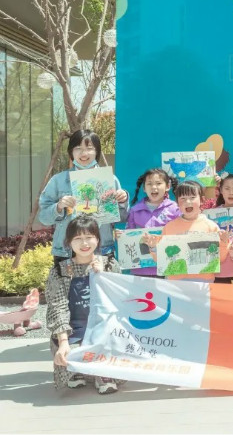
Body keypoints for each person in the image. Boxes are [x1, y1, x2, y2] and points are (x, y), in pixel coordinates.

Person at [46, 216, 121, 394]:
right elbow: (57, 306)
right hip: (74, 331)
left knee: (109, 349)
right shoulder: (60, 271)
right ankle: (78, 368)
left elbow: (119, 301)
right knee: (71, 354)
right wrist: (63, 342)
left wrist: (103, 277)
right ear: (68, 242)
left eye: (89, 237)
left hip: (105, 330)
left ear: (98, 239)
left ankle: (103, 373)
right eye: (78, 238)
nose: (84, 243)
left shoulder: (110, 265)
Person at [38, 129, 130, 265]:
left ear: (97, 151)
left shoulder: (110, 179)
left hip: (102, 250)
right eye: (78, 148)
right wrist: (58, 207)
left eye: (89, 148)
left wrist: (123, 201)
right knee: (66, 280)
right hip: (67, 252)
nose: (83, 153)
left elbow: (123, 218)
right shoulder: (58, 180)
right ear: (71, 152)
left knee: (100, 280)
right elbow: (44, 218)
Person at [145, 180, 230, 282]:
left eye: (192, 197)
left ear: (202, 200)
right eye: (183, 199)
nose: (188, 202)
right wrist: (153, 247)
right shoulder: (169, 227)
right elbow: (161, 260)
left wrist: (224, 242)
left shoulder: (211, 227)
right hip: (175, 283)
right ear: (177, 203)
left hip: (203, 282)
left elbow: (221, 258)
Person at [122, 168, 180, 278]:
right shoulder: (135, 210)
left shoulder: (175, 209)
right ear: (144, 188)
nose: (154, 187)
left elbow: (181, 234)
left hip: (167, 269)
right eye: (149, 184)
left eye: (158, 183)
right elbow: (128, 235)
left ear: (168, 186)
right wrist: (122, 236)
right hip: (141, 271)